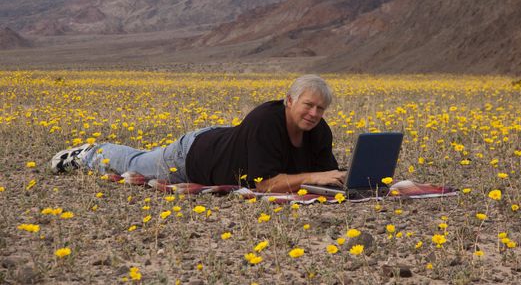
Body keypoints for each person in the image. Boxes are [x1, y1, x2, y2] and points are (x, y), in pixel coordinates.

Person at [51, 75, 346, 192]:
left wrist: (346, 177)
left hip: (220, 140)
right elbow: (264, 184)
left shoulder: (318, 130)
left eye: (321, 109)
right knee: (136, 164)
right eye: (308, 105)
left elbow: (326, 173)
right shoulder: (266, 121)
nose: (314, 114)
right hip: (192, 156)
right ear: (290, 100)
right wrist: (312, 177)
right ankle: (89, 153)